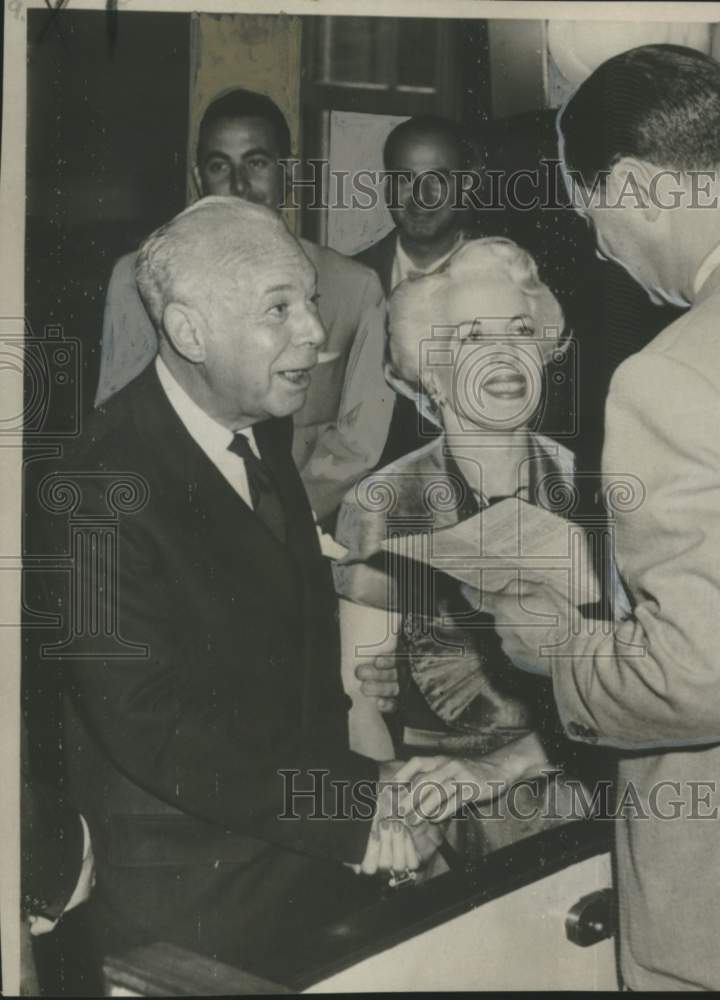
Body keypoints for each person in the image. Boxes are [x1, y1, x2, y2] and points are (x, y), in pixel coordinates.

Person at [429, 45, 720, 990]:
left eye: (593, 217)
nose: (605, 253)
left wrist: (553, 648)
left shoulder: (678, 373)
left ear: (641, 189)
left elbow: (696, 682)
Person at [30, 197, 439, 983]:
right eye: (277, 310)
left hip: (297, 867)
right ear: (188, 332)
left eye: (310, 301)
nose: (315, 334)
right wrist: (350, 811)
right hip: (189, 906)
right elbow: (152, 724)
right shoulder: (92, 485)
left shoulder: (259, 427)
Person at [335, 238, 596, 855]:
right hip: (444, 812)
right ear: (432, 370)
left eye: (521, 332)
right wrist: (395, 814)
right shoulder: (388, 503)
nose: (504, 357)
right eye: (473, 339)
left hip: (580, 782)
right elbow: (360, 707)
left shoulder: (589, 485)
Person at [95, 88, 394, 525]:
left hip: (297, 524)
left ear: (287, 174)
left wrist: (285, 514)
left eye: (256, 163)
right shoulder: (136, 278)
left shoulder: (355, 287)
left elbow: (360, 438)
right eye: (220, 166)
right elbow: (118, 414)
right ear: (200, 178)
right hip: (172, 522)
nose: (238, 185)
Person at [355, 116, 482, 466]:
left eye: (438, 180)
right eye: (404, 180)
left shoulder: (506, 280)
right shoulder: (349, 283)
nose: (421, 197)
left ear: (467, 184)